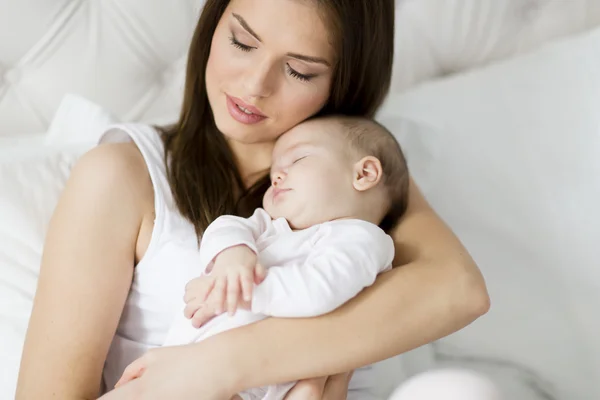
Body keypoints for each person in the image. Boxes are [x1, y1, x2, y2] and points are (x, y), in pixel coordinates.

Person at [16, 1, 491, 399]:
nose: (254, 85)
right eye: (242, 42)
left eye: (299, 71)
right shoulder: (123, 174)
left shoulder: (354, 178)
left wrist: (222, 364)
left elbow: (459, 290)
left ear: (343, 82)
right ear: (213, 24)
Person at [116, 115, 410, 400]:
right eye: (272, 175)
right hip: (183, 362)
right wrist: (233, 256)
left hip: (255, 382)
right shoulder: (272, 226)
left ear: (364, 174)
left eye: (297, 160)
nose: (277, 176)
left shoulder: (363, 240)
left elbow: (319, 290)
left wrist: (239, 291)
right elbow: (226, 225)